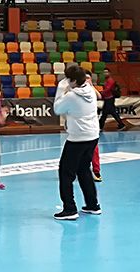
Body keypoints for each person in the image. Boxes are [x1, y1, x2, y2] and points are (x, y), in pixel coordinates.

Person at [53, 65, 102, 220]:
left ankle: (69, 209)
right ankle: (93, 205)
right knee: (83, 169)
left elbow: (57, 109)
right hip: (92, 136)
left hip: (78, 139)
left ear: (73, 81)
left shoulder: (72, 96)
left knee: (65, 172)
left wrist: (61, 89)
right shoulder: (90, 90)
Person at [85, 71, 104, 182]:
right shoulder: (77, 91)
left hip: (92, 126)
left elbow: (99, 96)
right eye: (85, 78)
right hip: (80, 127)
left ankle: (96, 171)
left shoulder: (92, 91)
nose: (87, 80)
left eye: (89, 78)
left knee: (94, 150)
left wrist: (91, 86)